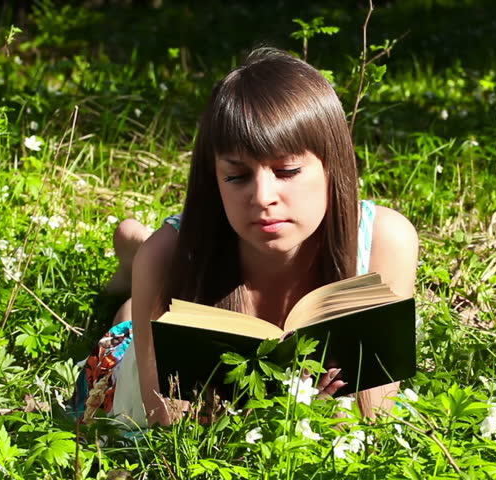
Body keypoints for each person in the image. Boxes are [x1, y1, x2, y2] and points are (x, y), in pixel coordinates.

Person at [72, 47, 419, 427]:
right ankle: (133, 260)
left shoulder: (385, 242)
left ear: (332, 166)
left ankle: (132, 254)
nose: (262, 197)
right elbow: (165, 427)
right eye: (237, 177)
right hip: (140, 363)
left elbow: (377, 417)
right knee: (129, 323)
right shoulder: (167, 258)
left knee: (147, 272)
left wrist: (315, 417)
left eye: (286, 170)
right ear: (213, 180)